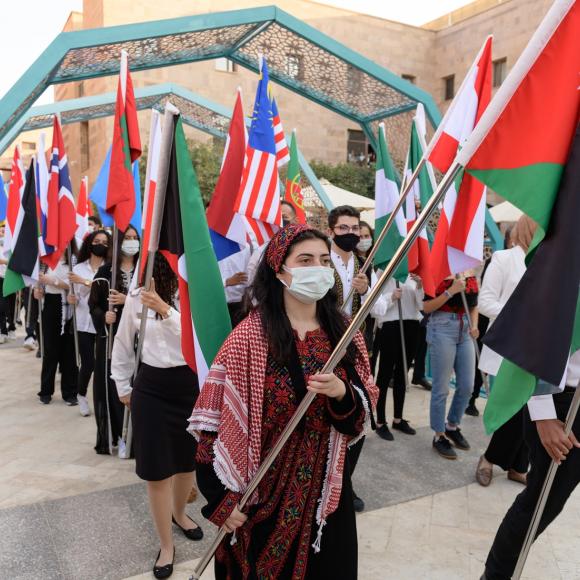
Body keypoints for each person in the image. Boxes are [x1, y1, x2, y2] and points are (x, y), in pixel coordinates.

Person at [189, 223, 377, 580]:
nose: (318, 268)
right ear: (279, 269)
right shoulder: (248, 338)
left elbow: (358, 422)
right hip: (259, 496)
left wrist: (342, 393)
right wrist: (218, 501)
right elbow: (211, 425)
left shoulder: (346, 335)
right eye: (305, 260)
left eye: (324, 260)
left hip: (325, 501)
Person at [111, 252, 203, 579]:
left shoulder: (194, 292)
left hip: (190, 385)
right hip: (151, 387)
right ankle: (166, 544)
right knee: (157, 469)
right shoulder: (136, 298)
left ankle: (180, 513)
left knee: (187, 461)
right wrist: (122, 385)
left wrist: (165, 309)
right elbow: (123, 345)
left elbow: (200, 340)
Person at [481, 350, 580, 580]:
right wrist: (542, 411)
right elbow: (536, 336)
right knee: (540, 504)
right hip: (562, 401)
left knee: (547, 502)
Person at [327, 205, 386, 512]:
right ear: (331, 231)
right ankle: (328, 483)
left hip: (358, 352)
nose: (350, 234)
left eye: (354, 229)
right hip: (325, 351)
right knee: (330, 419)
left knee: (359, 416)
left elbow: (381, 310)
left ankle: (345, 483)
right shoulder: (322, 263)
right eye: (343, 229)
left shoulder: (366, 266)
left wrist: (369, 291)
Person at [475, 216, 538, 487]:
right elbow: (486, 302)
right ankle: (489, 458)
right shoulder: (503, 258)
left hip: (536, 348)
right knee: (510, 408)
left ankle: (517, 465)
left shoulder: (547, 262)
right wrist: (522, 315)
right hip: (508, 347)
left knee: (531, 410)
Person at [89, 226, 140, 455]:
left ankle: (137, 438)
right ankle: (118, 435)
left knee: (137, 384)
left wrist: (127, 299)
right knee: (114, 385)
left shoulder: (145, 270)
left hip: (141, 339)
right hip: (112, 338)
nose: (131, 242)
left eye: (134, 238)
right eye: (127, 238)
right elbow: (94, 305)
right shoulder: (105, 273)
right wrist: (103, 316)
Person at [423, 273, 479, 460]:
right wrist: (450, 291)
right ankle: (439, 435)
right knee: (441, 388)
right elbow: (426, 307)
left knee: (467, 385)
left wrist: (475, 325)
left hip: (465, 330)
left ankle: (452, 426)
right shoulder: (437, 269)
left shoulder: (469, 272)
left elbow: (473, 306)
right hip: (442, 327)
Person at [373, 273, 424, 440]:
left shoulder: (413, 273)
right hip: (390, 323)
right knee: (385, 373)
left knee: (403, 372)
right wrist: (391, 297)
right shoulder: (382, 271)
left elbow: (421, 304)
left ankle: (398, 418)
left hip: (411, 323)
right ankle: (380, 421)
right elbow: (375, 304)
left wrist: (420, 287)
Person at [68, 229, 111, 417]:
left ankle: (104, 400)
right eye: (97, 240)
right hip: (83, 322)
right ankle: (82, 394)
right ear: (90, 243)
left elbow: (103, 292)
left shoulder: (109, 268)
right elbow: (78, 296)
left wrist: (85, 282)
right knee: (88, 363)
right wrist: (72, 297)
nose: (100, 244)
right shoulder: (78, 268)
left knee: (103, 365)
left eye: (104, 241)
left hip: (103, 323)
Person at [34, 254, 78, 405]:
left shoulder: (73, 260)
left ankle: (70, 393)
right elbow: (38, 285)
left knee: (69, 352)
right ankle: (46, 391)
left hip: (68, 307)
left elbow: (72, 283)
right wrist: (37, 291)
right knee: (50, 351)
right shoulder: (44, 261)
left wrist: (53, 281)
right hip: (50, 305)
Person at [246, 200, 299, 285]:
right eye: (276, 219)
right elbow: (251, 282)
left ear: (295, 221)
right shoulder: (261, 252)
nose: (280, 223)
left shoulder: (304, 246)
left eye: (284, 217)